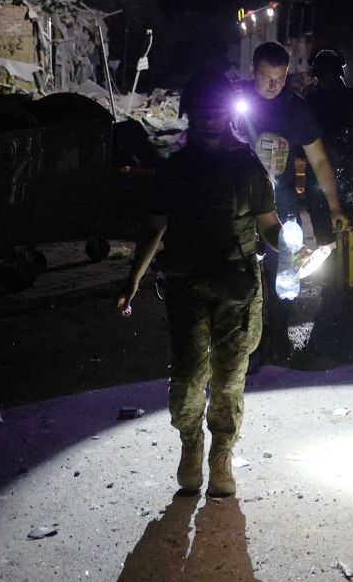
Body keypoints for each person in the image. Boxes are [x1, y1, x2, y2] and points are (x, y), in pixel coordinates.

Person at [116, 71, 282, 497]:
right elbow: (154, 225)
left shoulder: (247, 165)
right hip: (186, 284)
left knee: (229, 381)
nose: (208, 118)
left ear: (226, 113)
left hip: (237, 286)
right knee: (189, 379)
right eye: (201, 110)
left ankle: (221, 456)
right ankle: (191, 446)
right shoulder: (176, 170)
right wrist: (132, 279)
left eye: (216, 110)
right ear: (190, 114)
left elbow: (268, 225)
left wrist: (294, 249)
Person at [236, 42, 348, 364]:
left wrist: (335, 206)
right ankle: (248, 340)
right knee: (243, 270)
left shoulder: (294, 108)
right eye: (265, 78)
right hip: (239, 203)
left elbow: (320, 161)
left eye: (280, 79)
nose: (273, 86)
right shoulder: (235, 103)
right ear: (252, 72)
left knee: (286, 269)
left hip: (280, 199)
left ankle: (278, 329)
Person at [303, 49, 353, 248]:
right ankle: (339, 268)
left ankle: (340, 269)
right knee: (333, 229)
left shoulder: (312, 100)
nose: (326, 80)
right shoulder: (352, 97)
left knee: (338, 227)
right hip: (337, 172)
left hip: (345, 172)